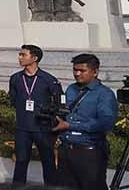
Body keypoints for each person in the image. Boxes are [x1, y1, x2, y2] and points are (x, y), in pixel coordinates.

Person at [52, 53, 118, 190]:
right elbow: (66, 113)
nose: (77, 74)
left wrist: (71, 125)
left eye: (82, 70)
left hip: (89, 152)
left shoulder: (104, 94)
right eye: (75, 70)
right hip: (66, 150)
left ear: (95, 72)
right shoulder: (71, 89)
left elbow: (106, 123)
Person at [8, 45, 62, 186]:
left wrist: (56, 128)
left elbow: (59, 103)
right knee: (21, 162)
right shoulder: (15, 79)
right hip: (22, 128)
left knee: (48, 163)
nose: (19, 58)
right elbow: (13, 100)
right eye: (19, 54)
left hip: (42, 128)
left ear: (35, 58)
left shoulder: (49, 80)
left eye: (23, 55)